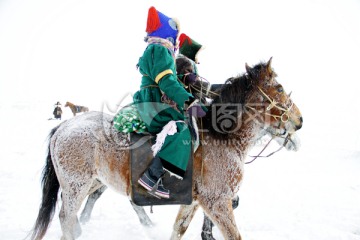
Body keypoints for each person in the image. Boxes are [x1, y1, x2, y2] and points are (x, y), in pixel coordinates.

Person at [133, 6, 206, 199]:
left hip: (154, 101)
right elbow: (167, 82)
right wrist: (189, 100)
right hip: (154, 104)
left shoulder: (158, 50)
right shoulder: (160, 49)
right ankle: (151, 176)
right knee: (182, 130)